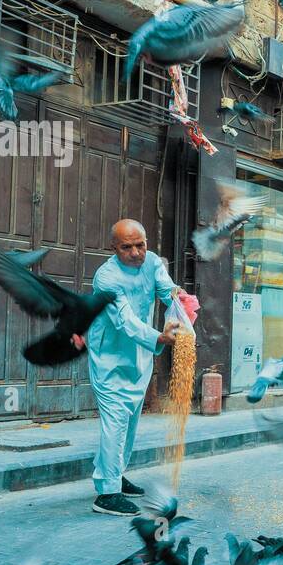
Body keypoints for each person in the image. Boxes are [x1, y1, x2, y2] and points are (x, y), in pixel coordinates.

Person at [84, 219, 183, 516]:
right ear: (114, 248)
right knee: (115, 418)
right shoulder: (106, 278)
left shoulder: (152, 263)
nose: (136, 253)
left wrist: (180, 302)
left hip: (139, 355)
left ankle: (114, 473)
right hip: (110, 357)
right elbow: (125, 321)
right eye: (127, 247)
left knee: (129, 420)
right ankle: (106, 493)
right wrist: (160, 337)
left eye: (141, 245)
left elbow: (167, 291)